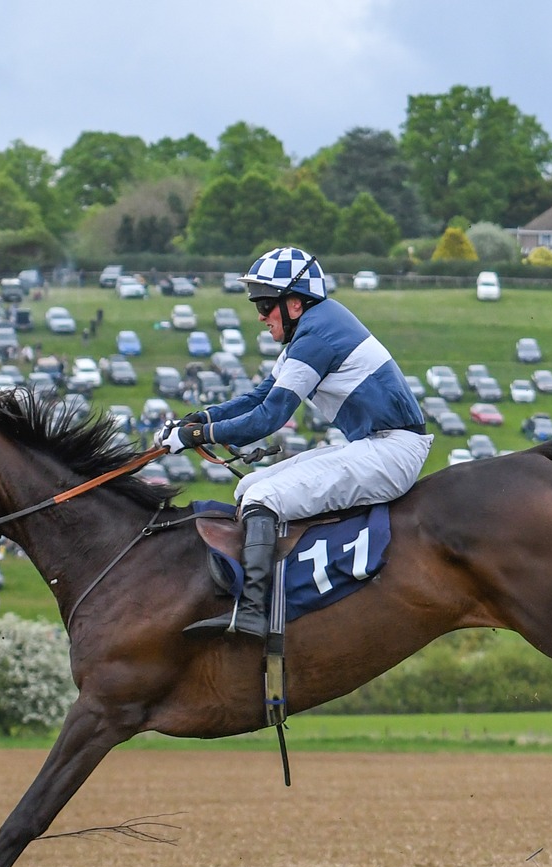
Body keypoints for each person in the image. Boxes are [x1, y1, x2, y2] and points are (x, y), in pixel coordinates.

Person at [154, 248, 429, 639]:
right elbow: (258, 397)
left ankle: (253, 612)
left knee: (262, 496)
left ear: (295, 304)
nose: (261, 317)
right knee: (249, 487)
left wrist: (195, 436)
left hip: (390, 452)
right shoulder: (314, 328)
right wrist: (201, 418)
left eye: (265, 305)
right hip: (376, 445)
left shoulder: (317, 338)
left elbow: (268, 418)